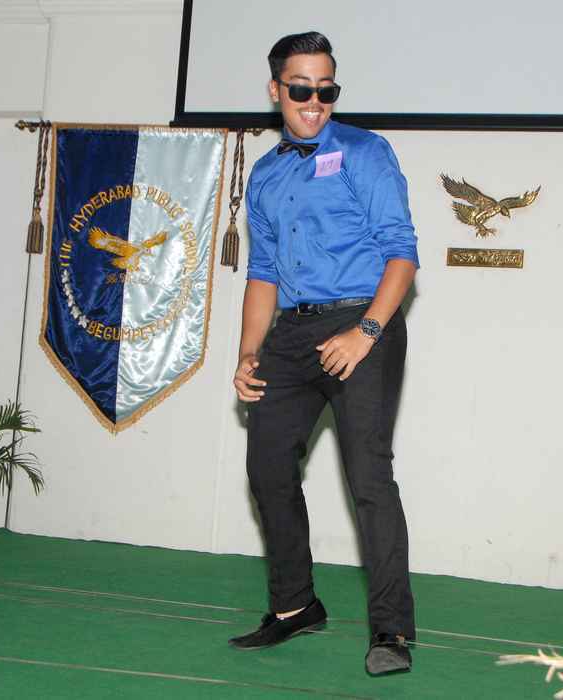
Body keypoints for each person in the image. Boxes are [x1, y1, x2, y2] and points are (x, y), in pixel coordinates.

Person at [228, 32, 420, 676]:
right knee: (267, 467)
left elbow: (402, 254)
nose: (314, 100)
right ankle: (295, 606)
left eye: (326, 89)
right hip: (292, 332)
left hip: (364, 323)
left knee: (369, 478)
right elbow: (263, 272)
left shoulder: (366, 152)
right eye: (301, 88)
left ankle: (391, 630)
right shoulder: (266, 173)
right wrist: (249, 353)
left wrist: (365, 332)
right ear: (276, 89)